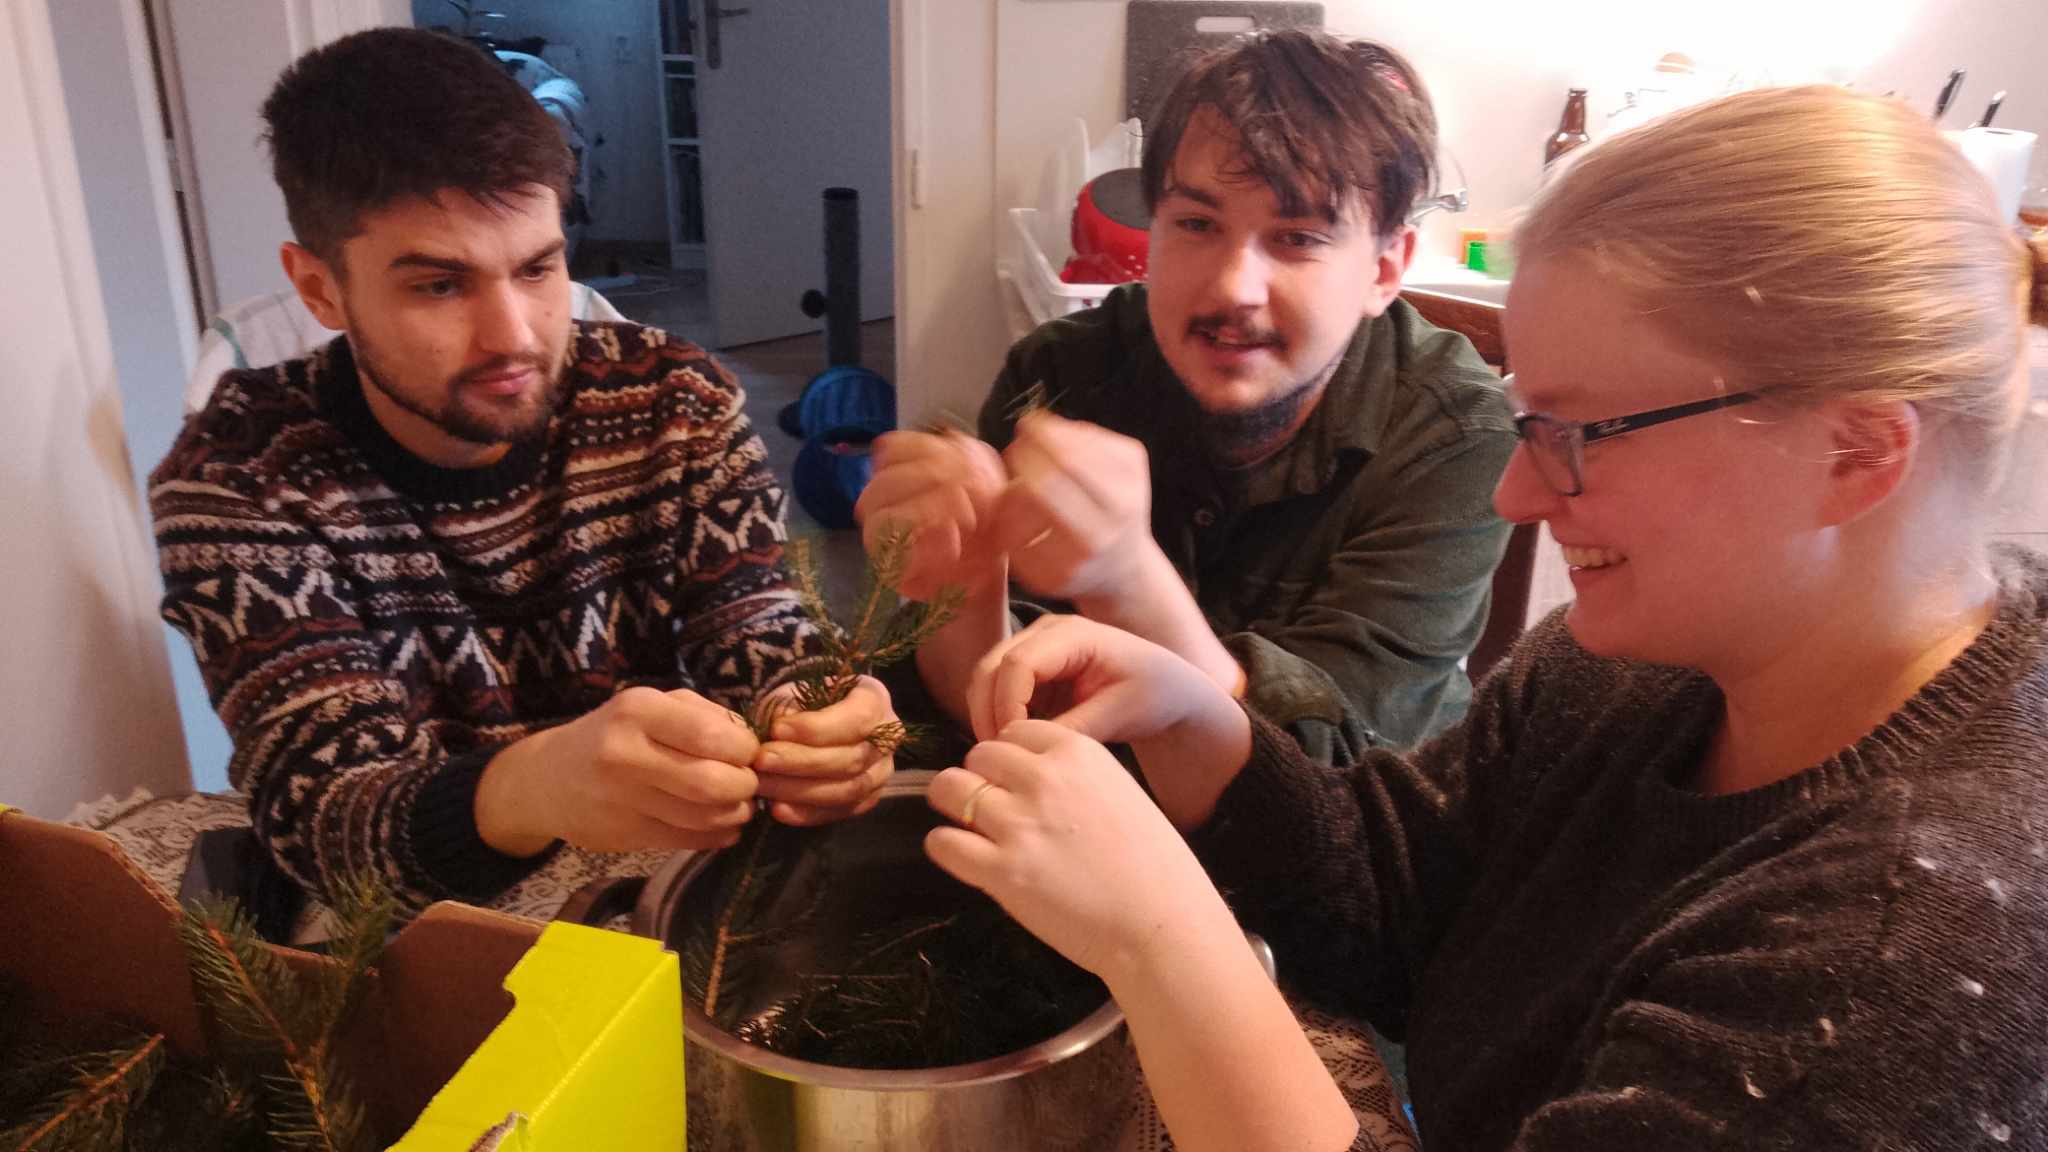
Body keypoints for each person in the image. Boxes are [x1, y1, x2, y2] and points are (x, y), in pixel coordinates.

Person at [922, 85, 2048, 1151]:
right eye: (1524, 423)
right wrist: (1194, 726)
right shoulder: (1632, 667)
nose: (1515, 497)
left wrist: (1159, 939)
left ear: (1853, 453)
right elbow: (1401, 894)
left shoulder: (1895, 968)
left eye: (1579, 433)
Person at [150, 28, 896, 912]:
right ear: (320, 290)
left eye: (538, 267)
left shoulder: (675, 402)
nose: (514, 336)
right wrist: (530, 786)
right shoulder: (239, 478)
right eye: (438, 286)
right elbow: (323, 821)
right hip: (419, 938)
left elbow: (761, 634)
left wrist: (819, 717)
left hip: (657, 899)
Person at [857, 31, 1514, 757]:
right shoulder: (1062, 371)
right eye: (1197, 225)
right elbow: (1001, 717)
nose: (1234, 287)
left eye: (1297, 238)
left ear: (1385, 270)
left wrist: (1125, 578)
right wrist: (966, 583)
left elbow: (1330, 781)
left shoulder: (1458, 435)